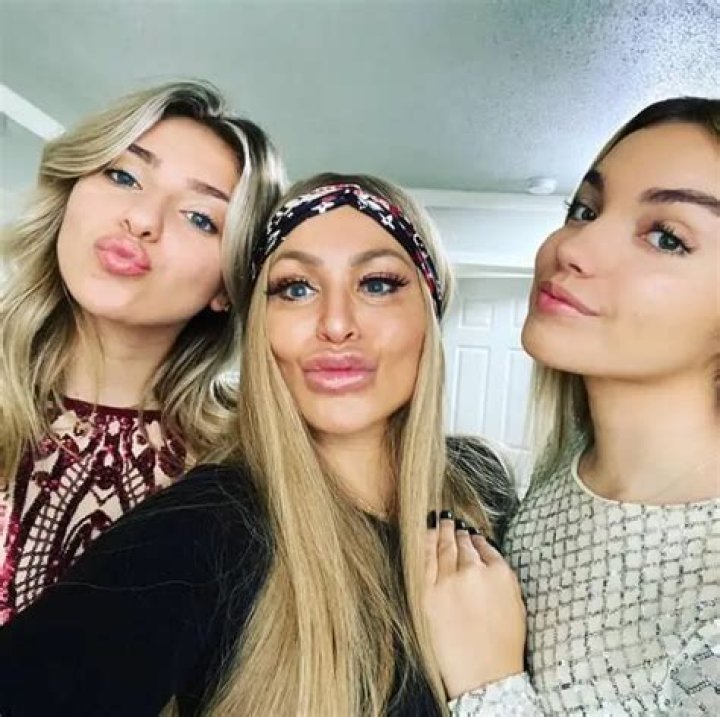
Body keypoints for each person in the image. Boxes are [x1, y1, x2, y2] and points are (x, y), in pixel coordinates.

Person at [0, 173, 516, 715]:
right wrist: (492, 692)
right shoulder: (206, 527)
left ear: (430, 310)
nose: (336, 324)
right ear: (260, 329)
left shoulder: (485, 484)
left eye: (378, 284)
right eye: (295, 289)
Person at [424, 96, 720, 714]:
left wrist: (487, 688)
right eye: (585, 209)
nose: (573, 247)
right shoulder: (558, 482)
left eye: (666, 238)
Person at [0, 80, 287, 623]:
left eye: (200, 217)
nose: (143, 219)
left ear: (228, 287)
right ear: (70, 194)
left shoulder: (249, 469)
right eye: (123, 176)